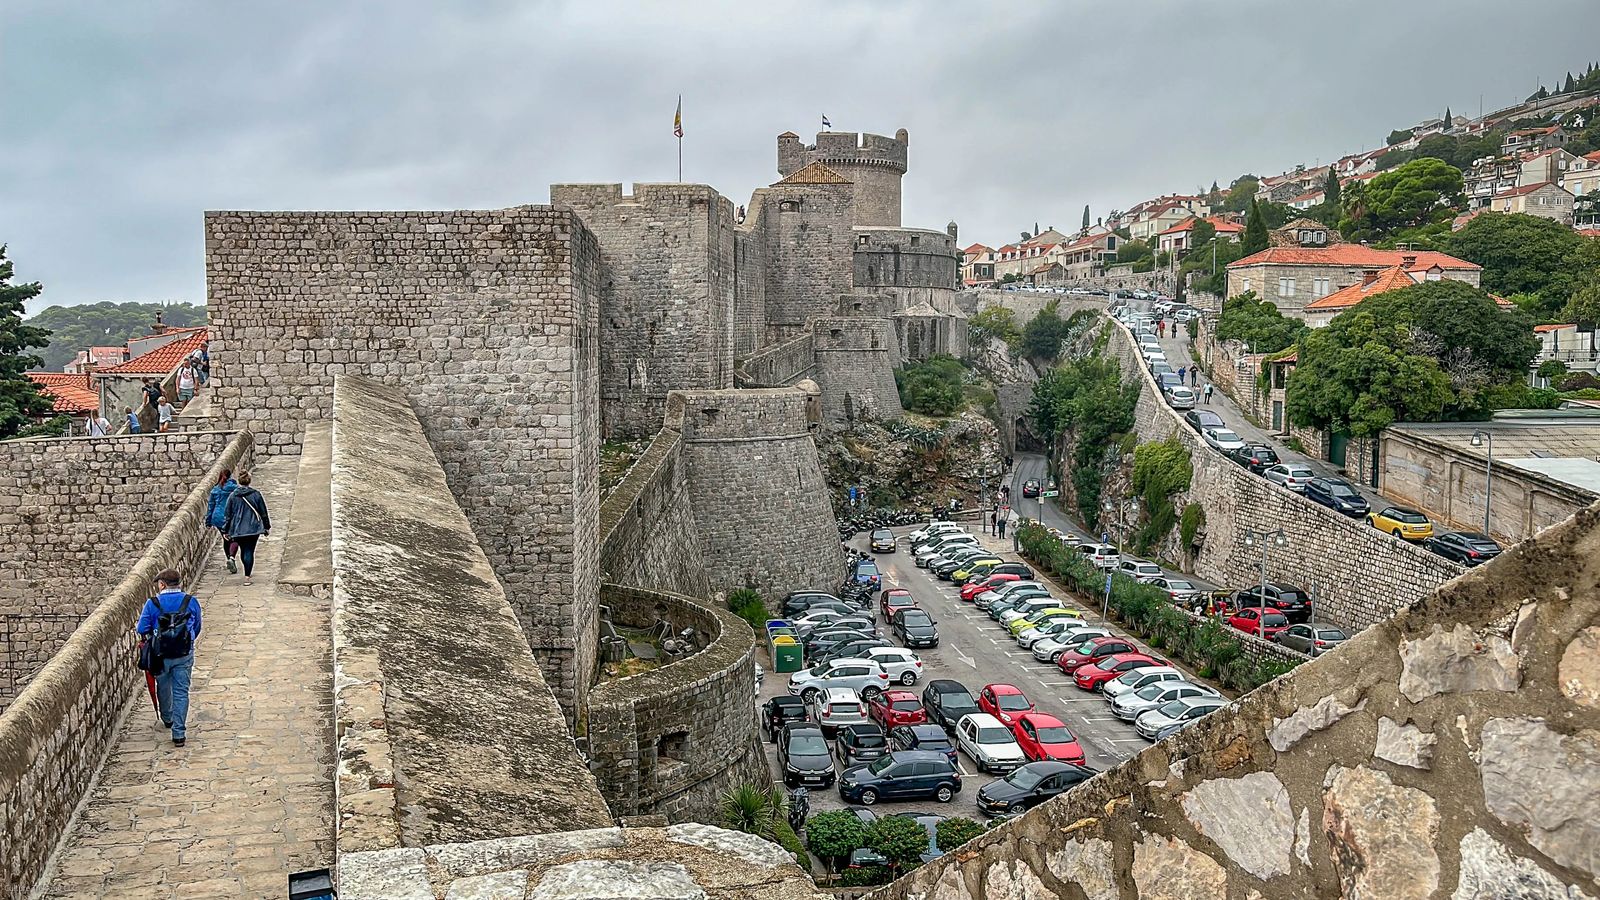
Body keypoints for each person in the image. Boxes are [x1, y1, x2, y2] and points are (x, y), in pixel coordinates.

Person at [137, 569, 203, 747]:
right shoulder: (190, 601)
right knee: (181, 691)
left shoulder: (152, 604)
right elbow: (197, 626)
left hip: (160, 654)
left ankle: (167, 717)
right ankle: (179, 733)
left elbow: (142, 629)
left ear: (162, 584)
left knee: (163, 686)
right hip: (184, 653)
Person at [223, 471, 271, 584]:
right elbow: (263, 511)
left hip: (238, 528)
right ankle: (247, 576)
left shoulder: (233, 496)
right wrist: (266, 526)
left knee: (243, 551)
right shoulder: (256, 494)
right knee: (249, 551)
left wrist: (225, 530)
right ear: (249, 481)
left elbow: (228, 514)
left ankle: (243, 567)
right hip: (253, 528)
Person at [207, 468, 239, 572]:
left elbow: (211, 506)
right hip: (231, 517)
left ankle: (228, 558)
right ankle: (231, 558)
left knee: (225, 538)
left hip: (218, 518)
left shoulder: (215, 489)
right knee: (234, 538)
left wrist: (208, 521)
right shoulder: (234, 488)